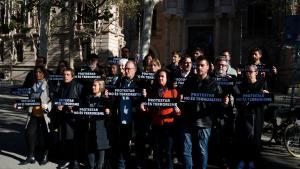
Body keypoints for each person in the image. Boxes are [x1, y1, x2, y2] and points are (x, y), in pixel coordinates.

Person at [181, 57, 224, 169]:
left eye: (202, 65)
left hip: (204, 123)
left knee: (202, 151)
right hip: (188, 120)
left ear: (208, 67)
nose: (199, 68)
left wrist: (225, 103)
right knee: (186, 150)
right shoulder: (189, 81)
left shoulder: (214, 84)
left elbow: (219, 105)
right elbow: (183, 98)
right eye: (197, 65)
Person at [141, 69, 181, 169]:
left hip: (169, 126)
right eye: (159, 76)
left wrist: (178, 111)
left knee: (168, 152)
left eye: (162, 76)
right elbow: (148, 108)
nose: (160, 78)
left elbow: (179, 110)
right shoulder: (152, 91)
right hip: (156, 125)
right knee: (157, 152)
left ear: (167, 78)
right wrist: (144, 106)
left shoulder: (174, 92)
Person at [234, 64, 269, 169]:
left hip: (256, 117)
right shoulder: (242, 85)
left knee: (254, 142)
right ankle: (242, 161)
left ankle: (252, 162)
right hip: (243, 117)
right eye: (246, 72)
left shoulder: (262, 84)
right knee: (242, 140)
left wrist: (264, 96)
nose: (248, 74)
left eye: (250, 72)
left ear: (256, 73)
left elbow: (266, 102)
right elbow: (238, 100)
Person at [19, 66, 51, 166]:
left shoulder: (48, 84)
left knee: (46, 135)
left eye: (40, 72)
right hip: (34, 114)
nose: (38, 74)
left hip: (45, 114)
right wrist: (21, 105)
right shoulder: (33, 85)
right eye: (36, 72)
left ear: (44, 73)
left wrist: (47, 107)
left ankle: (46, 155)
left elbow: (53, 98)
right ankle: (31, 155)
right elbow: (30, 100)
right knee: (29, 133)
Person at [112, 60, 141, 169]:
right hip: (121, 119)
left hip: (134, 119)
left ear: (135, 70)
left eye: (129, 69)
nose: (126, 71)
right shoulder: (120, 81)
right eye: (126, 68)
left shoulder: (139, 82)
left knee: (135, 147)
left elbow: (141, 99)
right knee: (122, 146)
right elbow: (114, 96)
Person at [55, 68, 83, 169]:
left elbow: (83, 101)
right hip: (63, 117)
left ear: (72, 76)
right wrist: (58, 106)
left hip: (74, 119)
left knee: (73, 140)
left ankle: (75, 161)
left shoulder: (78, 86)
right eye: (64, 75)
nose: (65, 76)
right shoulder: (61, 86)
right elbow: (57, 100)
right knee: (64, 140)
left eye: (67, 74)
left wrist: (74, 107)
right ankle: (66, 159)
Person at [84, 79, 111, 169]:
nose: (93, 87)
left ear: (101, 87)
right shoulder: (88, 98)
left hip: (101, 129)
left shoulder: (105, 99)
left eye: (95, 85)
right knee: (90, 150)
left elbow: (110, 115)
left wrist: (108, 112)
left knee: (101, 150)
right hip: (89, 128)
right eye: (92, 85)